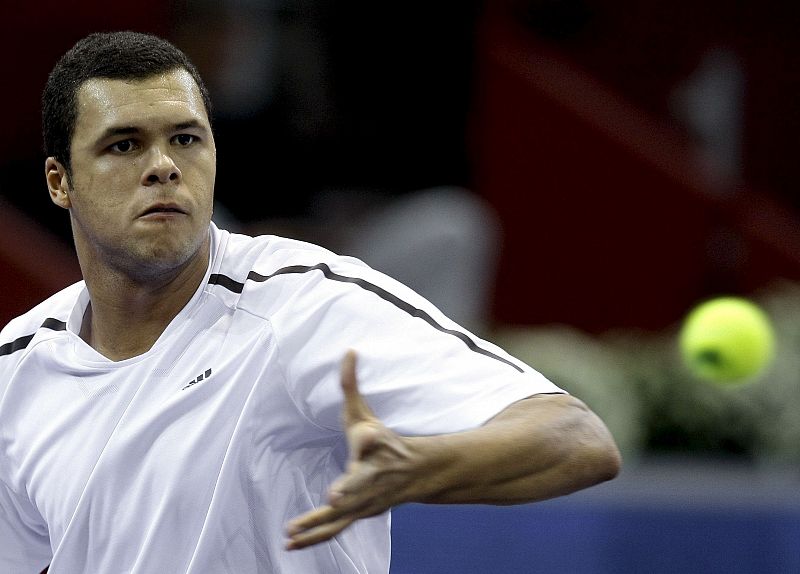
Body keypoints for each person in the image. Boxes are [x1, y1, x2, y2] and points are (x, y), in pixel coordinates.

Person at [0, 31, 620, 573]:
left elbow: (576, 437)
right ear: (60, 182)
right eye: (124, 145)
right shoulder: (17, 367)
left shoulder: (302, 306)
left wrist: (422, 463)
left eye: (186, 139)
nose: (163, 166)